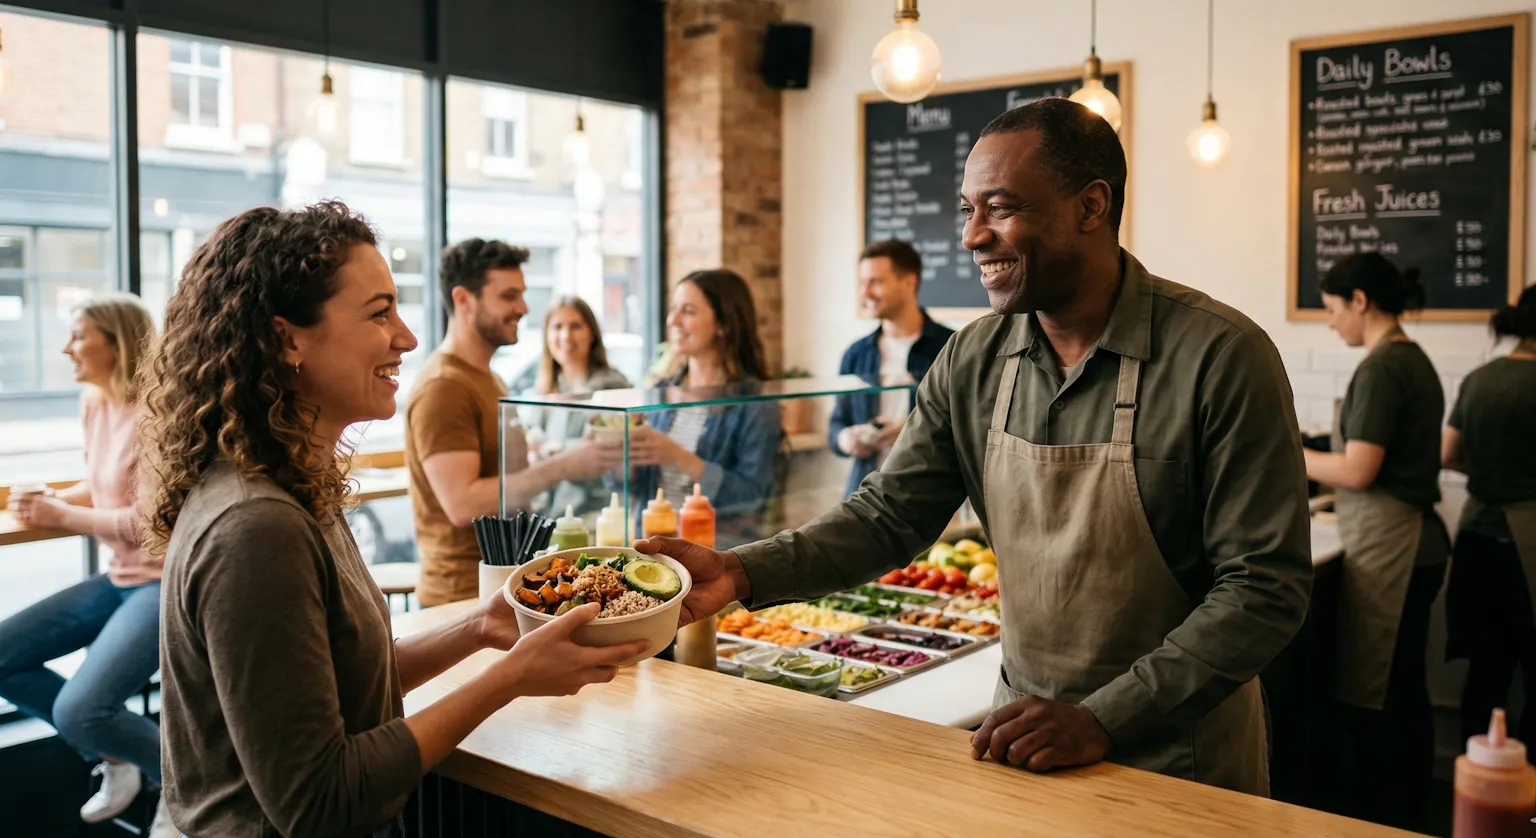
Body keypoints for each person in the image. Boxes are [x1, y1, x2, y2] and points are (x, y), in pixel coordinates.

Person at [640, 98, 1310, 797]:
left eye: (1000, 208)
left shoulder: (1221, 357)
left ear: (1091, 206)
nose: (971, 236)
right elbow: (888, 517)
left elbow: (1266, 588)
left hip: (1181, 759)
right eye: (968, 210)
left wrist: (1102, 719)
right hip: (1022, 739)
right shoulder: (974, 359)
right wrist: (739, 573)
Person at [142, 202, 646, 837]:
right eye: (379, 313)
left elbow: (343, 690)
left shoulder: (292, 488)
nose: (406, 337)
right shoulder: (255, 527)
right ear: (286, 338)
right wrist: (509, 679)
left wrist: (480, 629)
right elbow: (320, 800)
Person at [0, 294, 168, 833]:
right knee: (3, 656)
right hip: (121, 577)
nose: (67, 347)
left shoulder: (160, 412)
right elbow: (107, 486)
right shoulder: (96, 402)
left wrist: (63, 515)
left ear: (117, 344)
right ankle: (120, 757)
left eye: (78, 335)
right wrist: (59, 497)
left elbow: (150, 522)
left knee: (82, 708)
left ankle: (186, 783)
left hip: (162, 582)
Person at [1303, 252, 1447, 831]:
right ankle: (1404, 813)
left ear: (1360, 301)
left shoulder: (1383, 368)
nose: (1332, 323)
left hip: (1396, 543)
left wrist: (1288, 448)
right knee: (1404, 689)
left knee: (1381, 695)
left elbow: (1359, 470)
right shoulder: (1410, 359)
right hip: (1414, 540)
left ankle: (1381, 820)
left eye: (1335, 309)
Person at [406, 239, 620, 606]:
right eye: (508, 296)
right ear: (463, 299)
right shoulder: (444, 386)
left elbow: (507, 482)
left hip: (503, 584)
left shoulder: (489, 379)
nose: (522, 308)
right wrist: (562, 466)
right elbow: (461, 503)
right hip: (461, 596)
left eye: (521, 295)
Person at [1443, 283, 1536, 754]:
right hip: (1530, 544)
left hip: (1477, 537)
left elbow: (1449, 453)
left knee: (1485, 672)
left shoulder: (1481, 379)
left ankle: (1472, 777)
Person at [629, 269, 781, 548]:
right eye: (673, 309)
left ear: (723, 324)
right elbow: (631, 487)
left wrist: (678, 457)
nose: (672, 321)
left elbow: (753, 495)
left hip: (715, 553)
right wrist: (620, 458)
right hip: (650, 548)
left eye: (687, 311)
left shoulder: (755, 405)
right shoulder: (661, 391)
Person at [829, 239, 954, 498]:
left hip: (929, 499)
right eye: (862, 282)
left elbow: (969, 429)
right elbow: (836, 425)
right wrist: (848, 439)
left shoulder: (952, 347)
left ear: (909, 282)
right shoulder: (856, 354)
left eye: (876, 281)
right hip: (863, 497)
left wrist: (910, 432)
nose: (865, 292)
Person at [517, 296, 632, 516]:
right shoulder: (548, 387)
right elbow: (530, 437)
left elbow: (600, 457)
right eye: (557, 327)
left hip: (597, 513)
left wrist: (546, 451)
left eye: (575, 326)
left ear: (592, 334)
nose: (565, 336)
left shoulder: (612, 386)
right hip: (553, 514)